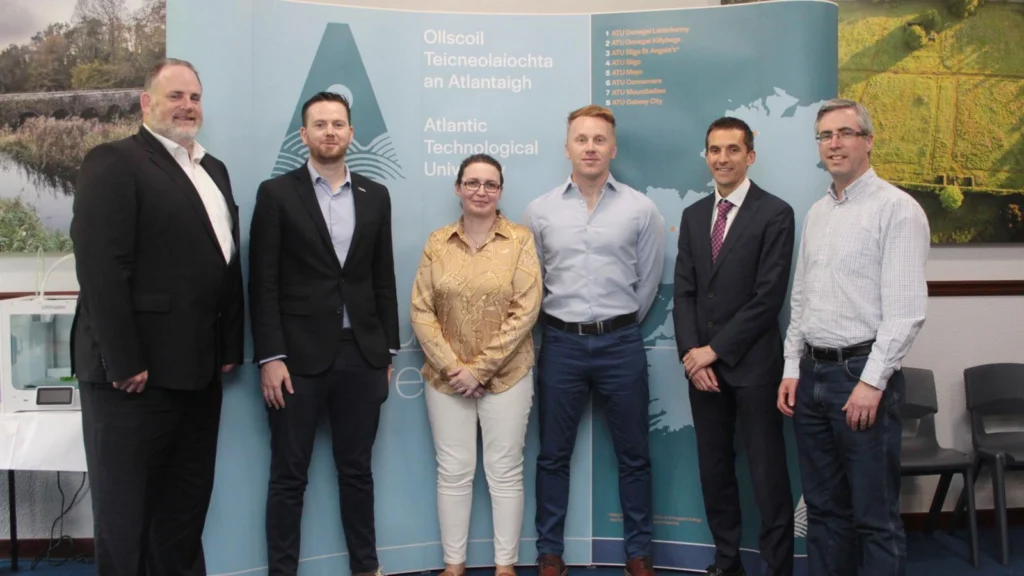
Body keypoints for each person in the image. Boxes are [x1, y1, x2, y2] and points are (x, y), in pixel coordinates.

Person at [71, 57, 243, 575]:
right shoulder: (114, 161)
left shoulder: (213, 169)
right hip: (134, 378)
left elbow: (226, 265)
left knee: (184, 512)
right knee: (126, 517)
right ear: (147, 103)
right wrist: (124, 360)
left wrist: (229, 349)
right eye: (175, 96)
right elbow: (102, 268)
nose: (187, 106)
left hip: (198, 372)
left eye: (194, 97)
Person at [248, 91, 400, 576]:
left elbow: (382, 277)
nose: (330, 132)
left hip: (361, 356)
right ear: (304, 136)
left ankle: (366, 568)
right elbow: (263, 281)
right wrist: (270, 356)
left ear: (351, 134)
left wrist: (387, 351)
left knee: (356, 473)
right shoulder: (276, 194)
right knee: (288, 477)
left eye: (338, 124)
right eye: (320, 125)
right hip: (295, 361)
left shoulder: (375, 195)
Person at [777, 98, 930, 576]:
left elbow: (905, 312)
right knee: (823, 511)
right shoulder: (818, 213)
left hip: (859, 380)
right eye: (825, 136)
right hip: (812, 377)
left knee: (874, 516)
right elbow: (800, 299)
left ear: (868, 141)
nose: (835, 143)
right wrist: (791, 367)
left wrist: (872, 381)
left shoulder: (897, 210)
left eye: (845, 133)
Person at [524, 104, 665, 576]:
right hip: (560, 345)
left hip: (620, 343)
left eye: (599, 139)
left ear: (613, 148)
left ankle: (639, 553)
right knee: (552, 456)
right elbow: (533, 282)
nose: (590, 147)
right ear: (567, 148)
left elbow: (646, 283)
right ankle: (549, 553)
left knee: (634, 456)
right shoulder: (539, 211)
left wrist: (615, 323)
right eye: (581, 139)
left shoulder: (640, 208)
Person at [673, 117, 796, 576]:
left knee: (767, 475)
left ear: (750, 156)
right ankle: (727, 562)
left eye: (732, 149)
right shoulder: (692, 215)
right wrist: (692, 355)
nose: (722, 158)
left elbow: (768, 298)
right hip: (702, 370)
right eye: (714, 150)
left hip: (754, 366)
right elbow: (684, 292)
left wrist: (715, 350)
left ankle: (777, 566)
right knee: (715, 472)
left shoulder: (775, 213)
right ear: (706, 156)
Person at [410, 154, 543, 576]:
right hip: (446, 378)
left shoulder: (520, 239)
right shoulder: (436, 242)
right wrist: (455, 369)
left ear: (500, 191)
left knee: (504, 472)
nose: (481, 191)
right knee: (453, 472)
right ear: (457, 188)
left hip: (508, 375)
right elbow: (420, 309)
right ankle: (454, 565)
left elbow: (526, 309)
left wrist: (480, 369)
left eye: (490, 184)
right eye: (472, 183)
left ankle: (506, 566)